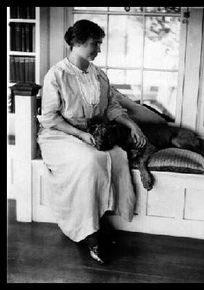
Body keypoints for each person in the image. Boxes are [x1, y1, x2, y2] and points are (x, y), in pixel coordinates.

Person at [37, 19, 148, 265]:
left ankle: (99, 219)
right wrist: (80, 135)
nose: (98, 49)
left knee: (117, 155)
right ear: (77, 43)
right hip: (60, 135)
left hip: (93, 133)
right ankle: (88, 233)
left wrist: (132, 125)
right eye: (94, 43)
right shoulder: (56, 75)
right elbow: (49, 118)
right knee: (89, 160)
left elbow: (111, 108)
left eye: (99, 43)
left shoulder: (98, 74)